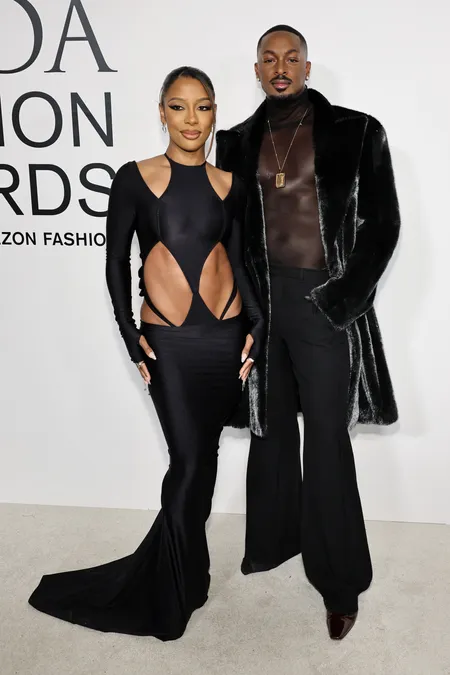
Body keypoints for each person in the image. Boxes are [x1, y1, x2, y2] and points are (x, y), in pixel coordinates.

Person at [28, 66, 264, 641]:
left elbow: (239, 260)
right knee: (187, 462)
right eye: (179, 107)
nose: (191, 119)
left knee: (203, 459)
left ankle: (191, 572)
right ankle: (169, 590)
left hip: (226, 337)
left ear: (214, 113)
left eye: (202, 107)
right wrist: (128, 329)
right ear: (162, 113)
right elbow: (116, 260)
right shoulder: (133, 178)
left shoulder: (232, 184)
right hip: (169, 342)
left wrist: (260, 323)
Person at [216, 25, 400, 640]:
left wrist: (341, 300)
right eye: (269, 59)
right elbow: (227, 233)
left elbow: (383, 224)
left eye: (291, 58)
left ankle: (339, 582)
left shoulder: (357, 131)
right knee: (269, 430)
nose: (281, 67)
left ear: (307, 66)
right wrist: (236, 309)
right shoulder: (234, 142)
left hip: (323, 303)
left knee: (325, 440)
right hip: (262, 306)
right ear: (257, 69)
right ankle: (273, 543)